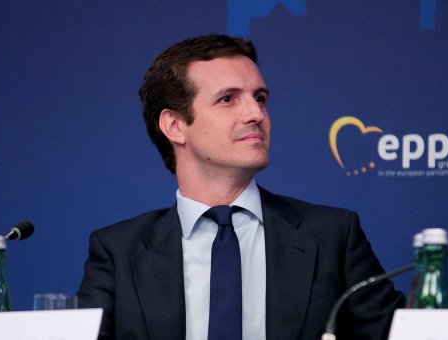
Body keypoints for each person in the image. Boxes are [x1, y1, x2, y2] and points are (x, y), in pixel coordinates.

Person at [77, 34, 405, 340]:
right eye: (228, 99)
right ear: (175, 126)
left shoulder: (333, 235)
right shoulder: (117, 252)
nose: (255, 113)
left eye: (259, 98)